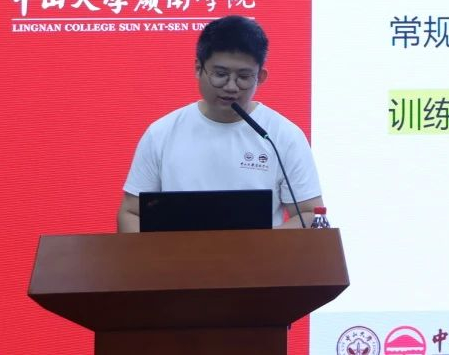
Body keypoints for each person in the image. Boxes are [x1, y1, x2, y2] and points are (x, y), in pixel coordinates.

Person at [116, 15, 323, 232]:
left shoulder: (282, 135)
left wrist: (257, 245)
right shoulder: (161, 133)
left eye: (244, 77)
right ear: (198, 68)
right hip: (176, 253)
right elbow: (131, 212)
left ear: (260, 77)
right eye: (220, 74)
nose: (231, 87)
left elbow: (309, 213)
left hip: (258, 254)